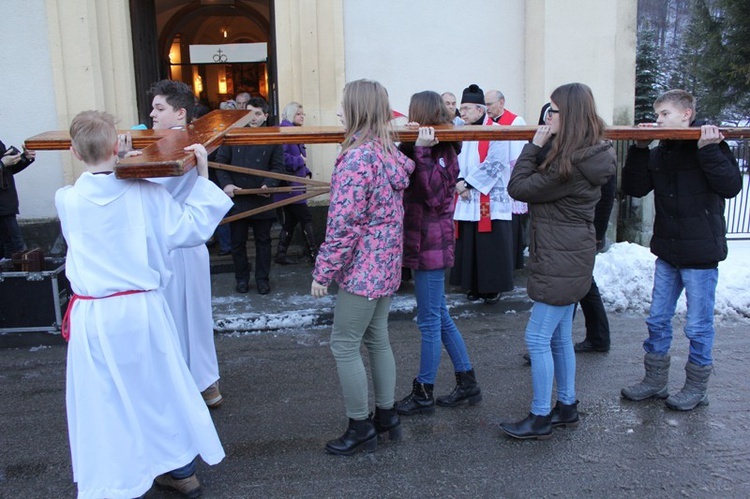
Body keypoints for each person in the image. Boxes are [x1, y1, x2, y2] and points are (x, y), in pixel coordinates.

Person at [57, 110, 228, 498]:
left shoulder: (66, 200)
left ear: (73, 152)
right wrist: (201, 175)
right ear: (118, 145)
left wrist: (125, 163)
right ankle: (181, 470)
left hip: (94, 316)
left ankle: (118, 476)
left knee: (105, 398)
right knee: (159, 389)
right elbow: (191, 229)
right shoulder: (148, 193)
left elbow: (99, 189)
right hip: (141, 310)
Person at [502, 83, 616, 440]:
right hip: (570, 252)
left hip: (561, 257)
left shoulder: (571, 165)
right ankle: (566, 406)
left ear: (570, 115)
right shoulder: (583, 153)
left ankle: (540, 417)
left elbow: (519, 187)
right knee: (559, 337)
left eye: (553, 110)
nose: (547, 116)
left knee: (537, 338)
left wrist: (533, 146)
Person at [311, 79, 415, 455]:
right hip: (385, 264)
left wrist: (323, 272)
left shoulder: (357, 158)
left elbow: (343, 225)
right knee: (376, 338)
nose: (339, 111)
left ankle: (360, 426)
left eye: (343, 105)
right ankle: (386, 417)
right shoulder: (384, 153)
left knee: (344, 345)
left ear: (356, 110)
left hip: (364, 268)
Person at [620, 89, 741, 411]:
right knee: (657, 319)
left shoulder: (710, 143)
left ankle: (697, 387)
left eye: (664, 114)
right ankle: (655, 381)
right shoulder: (662, 150)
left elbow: (731, 187)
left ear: (686, 114)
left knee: (698, 325)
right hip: (668, 251)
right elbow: (634, 188)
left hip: (701, 254)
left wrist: (709, 151)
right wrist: (641, 149)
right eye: (657, 114)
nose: (657, 120)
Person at [395, 90, 482, 417]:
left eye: (414, 113)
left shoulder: (443, 150)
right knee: (439, 314)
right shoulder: (427, 147)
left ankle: (423, 391)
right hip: (422, 240)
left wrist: (421, 151)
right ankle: (467, 381)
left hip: (431, 242)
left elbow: (432, 194)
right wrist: (409, 146)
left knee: (430, 320)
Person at [143, 79, 229, 409]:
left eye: (159, 108)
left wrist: (129, 162)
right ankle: (190, 381)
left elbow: (152, 187)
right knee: (175, 317)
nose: (152, 113)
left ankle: (203, 382)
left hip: (182, 243)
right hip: (168, 247)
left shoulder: (181, 144)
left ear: (180, 113)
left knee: (191, 316)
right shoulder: (163, 141)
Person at [450, 84, 514, 304]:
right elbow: (455, 160)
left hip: (488, 197)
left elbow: (496, 163)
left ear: (480, 110)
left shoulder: (495, 130)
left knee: (489, 243)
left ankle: (491, 286)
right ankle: (473, 285)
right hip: (466, 195)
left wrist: (467, 183)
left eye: (467, 108)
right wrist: (458, 181)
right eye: (462, 108)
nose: (463, 113)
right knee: (469, 241)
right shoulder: (461, 130)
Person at [216, 96, 284, 295]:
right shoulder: (231, 135)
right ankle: (242, 279)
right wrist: (227, 184)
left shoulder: (273, 137)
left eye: (256, 114)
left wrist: (268, 185)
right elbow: (221, 163)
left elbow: (278, 167)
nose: (252, 118)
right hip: (238, 199)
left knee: (263, 242)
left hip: (262, 199)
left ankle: (262, 280)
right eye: (248, 113)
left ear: (265, 116)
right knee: (238, 243)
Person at [486, 89, 529, 270]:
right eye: (485, 104)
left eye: (490, 104)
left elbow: (518, 155)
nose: (487, 108)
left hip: (509, 180)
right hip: (492, 183)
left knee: (510, 226)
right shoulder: (485, 123)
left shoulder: (515, 121)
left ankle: (511, 262)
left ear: (502, 102)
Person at [274, 101, 318, 265]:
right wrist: (299, 160)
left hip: (294, 184)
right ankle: (314, 255)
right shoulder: (286, 131)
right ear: (292, 114)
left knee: (291, 221)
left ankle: (281, 254)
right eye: (299, 113)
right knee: (306, 218)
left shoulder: (291, 130)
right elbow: (281, 158)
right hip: (291, 186)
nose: (303, 116)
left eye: (303, 113)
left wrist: (304, 169)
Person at [1, 141, 35, 258]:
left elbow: (7, 171)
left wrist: (23, 158)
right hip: (4, 207)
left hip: (6, 205)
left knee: (13, 250)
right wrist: (2, 163)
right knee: (16, 249)